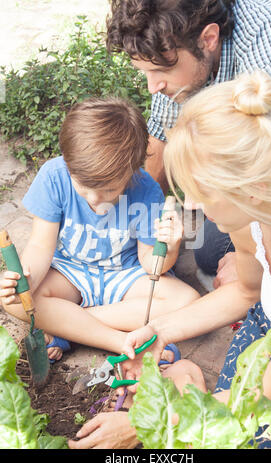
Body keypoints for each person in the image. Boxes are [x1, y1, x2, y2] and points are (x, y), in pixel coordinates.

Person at [69, 71, 271, 449]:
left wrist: (150, 423)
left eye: (202, 193)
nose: (192, 207)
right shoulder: (250, 218)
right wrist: (160, 331)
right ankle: (187, 373)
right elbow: (246, 292)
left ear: (255, 188)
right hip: (270, 332)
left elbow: (264, 394)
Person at [106, 0, 271, 283]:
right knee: (210, 250)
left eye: (161, 71)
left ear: (208, 39)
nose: (152, 86)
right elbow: (162, 135)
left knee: (218, 253)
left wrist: (261, 258)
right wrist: (137, 215)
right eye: (145, 72)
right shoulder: (177, 49)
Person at [0, 97, 199, 362]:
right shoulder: (54, 176)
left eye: (109, 190)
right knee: (14, 301)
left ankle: (68, 328)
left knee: (188, 302)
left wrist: (170, 248)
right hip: (71, 272)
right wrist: (27, 283)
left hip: (126, 275)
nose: (95, 200)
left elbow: (152, 267)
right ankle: (123, 341)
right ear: (69, 165)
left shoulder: (146, 189)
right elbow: (39, 247)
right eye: (84, 187)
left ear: (131, 173)